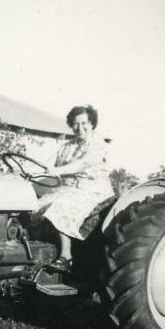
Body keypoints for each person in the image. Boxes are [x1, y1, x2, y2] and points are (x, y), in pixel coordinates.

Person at [35, 105, 114, 273]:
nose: (80, 128)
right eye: (76, 124)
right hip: (65, 188)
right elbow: (52, 172)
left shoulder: (99, 144)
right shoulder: (67, 146)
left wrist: (59, 171)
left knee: (60, 206)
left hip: (92, 191)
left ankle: (66, 257)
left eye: (84, 123)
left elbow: (84, 163)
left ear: (92, 123)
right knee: (32, 207)